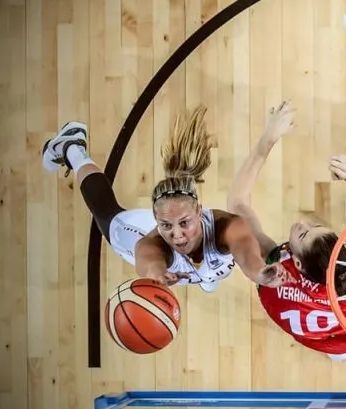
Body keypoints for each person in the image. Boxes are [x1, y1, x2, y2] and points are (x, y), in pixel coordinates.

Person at [227, 9, 346, 361]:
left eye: (304, 231)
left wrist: (268, 138)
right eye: (310, 229)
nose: (301, 222)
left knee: (338, 348)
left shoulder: (281, 276)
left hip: (328, 325)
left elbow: (238, 206)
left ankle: (339, 352)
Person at [42, 105, 279, 291]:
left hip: (202, 258)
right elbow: (150, 262)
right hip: (140, 232)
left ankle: (205, 274)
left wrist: (260, 273)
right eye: (166, 225)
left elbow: (248, 255)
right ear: (156, 219)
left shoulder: (227, 227)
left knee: (210, 267)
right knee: (107, 216)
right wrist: (157, 276)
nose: (176, 235)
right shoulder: (150, 242)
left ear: (200, 211)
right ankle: (72, 146)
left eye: (184, 223)